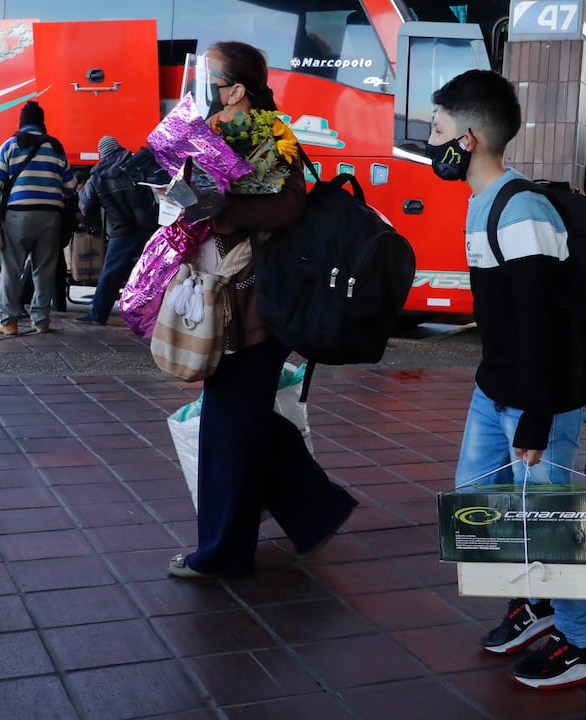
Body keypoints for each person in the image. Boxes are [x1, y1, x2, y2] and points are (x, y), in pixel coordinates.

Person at [426, 70, 586, 689]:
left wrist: (533, 412)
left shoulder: (518, 207)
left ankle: (584, 642)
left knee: (552, 519)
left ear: (469, 138)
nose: (432, 141)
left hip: (541, 394)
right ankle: (536, 601)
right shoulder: (483, 202)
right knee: (483, 503)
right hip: (498, 387)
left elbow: (543, 324)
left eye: (439, 129)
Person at [167, 41, 358, 579]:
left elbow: (290, 203)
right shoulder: (212, 132)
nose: (201, 88)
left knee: (229, 427)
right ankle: (316, 508)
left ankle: (225, 552)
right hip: (220, 297)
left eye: (210, 79)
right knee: (240, 419)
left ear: (237, 89)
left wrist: (224, 211)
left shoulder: (273, 135)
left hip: (255, 300)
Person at [0, 101, 77, 334]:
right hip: (50, 217)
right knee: (44, 270)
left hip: (18, 216)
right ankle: (41, 321)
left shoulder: (11, 144)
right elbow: (71, 186)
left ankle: (9, 322)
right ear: (42, 122)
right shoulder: (56, 147)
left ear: (21, 122)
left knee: (12, 268)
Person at [74, 136, 160, 325]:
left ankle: (98, 315)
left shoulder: (98, 176)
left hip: (122, 231)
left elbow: (85, 205)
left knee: (110, 273)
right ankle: (151, 317)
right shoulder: (136, 163)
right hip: (149, 227)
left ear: (102, 154)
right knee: (151, 271)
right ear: (118, 147)